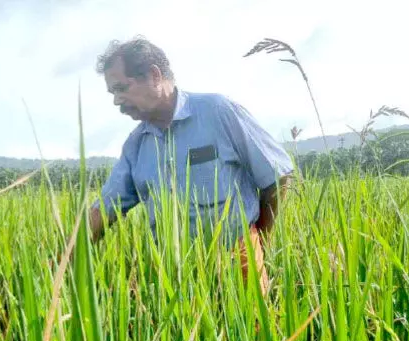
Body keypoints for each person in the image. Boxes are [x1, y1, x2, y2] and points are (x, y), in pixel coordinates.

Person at [88, 36, 294, 292]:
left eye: (121, 88)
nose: (116, 101)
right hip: (172, 273)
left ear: (153, 75)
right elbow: (107, 208)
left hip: (236, 257)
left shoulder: (218, 112)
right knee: (179, 332)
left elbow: (277, 176)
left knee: (252, 330)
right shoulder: (136, 144)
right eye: (112, 93)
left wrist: (260, 238)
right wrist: (63, 262)